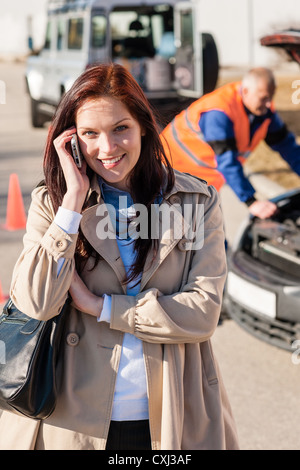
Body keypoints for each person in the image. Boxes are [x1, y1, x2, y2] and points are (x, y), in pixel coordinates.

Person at [0, 63, 239, 450]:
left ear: (143, 125)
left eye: (120, 129)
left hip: (172, 414)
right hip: (72, 420)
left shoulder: (196, 201)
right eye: (90, 134)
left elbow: (204, 311)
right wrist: (73, 202)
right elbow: (35, 304)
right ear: (71, 140)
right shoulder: (54, 204)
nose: (107, 149)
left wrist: (103, 306)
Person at [161, 67, 300, 220]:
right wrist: (251, 201)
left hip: (204, 181)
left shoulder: (263, 111)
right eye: (264, 98)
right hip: (172, 177)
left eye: (271, 97)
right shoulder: (219, 112)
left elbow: (287, 146)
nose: (269, 104)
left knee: (213, 234)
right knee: (192, 235)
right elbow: (227, 160)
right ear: (246, 91)